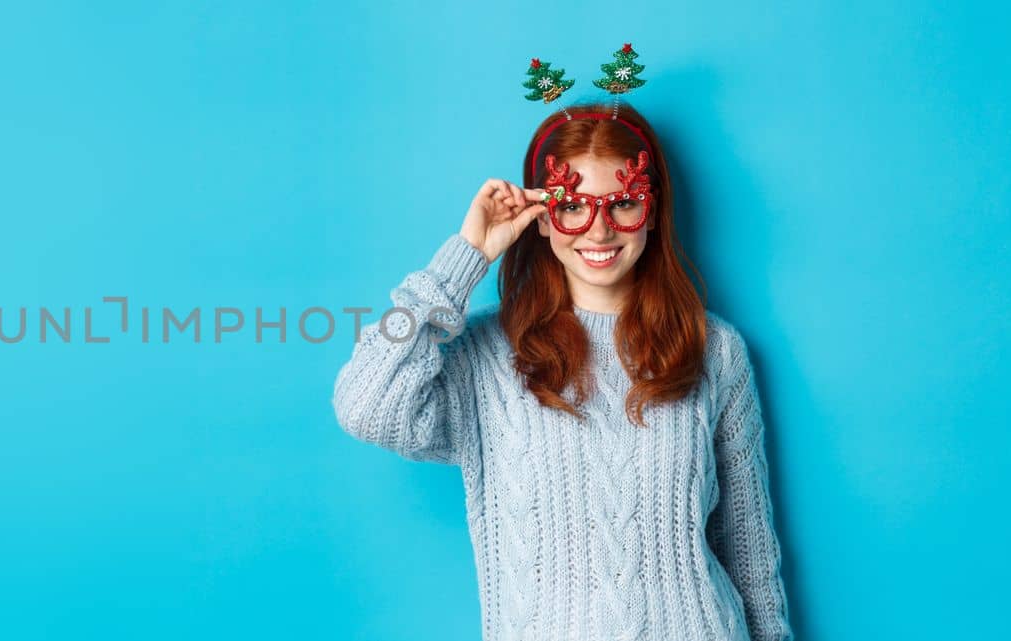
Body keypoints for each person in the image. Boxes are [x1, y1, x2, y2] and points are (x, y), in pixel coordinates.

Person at [331, 101, 793, 641]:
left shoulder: (715, 349)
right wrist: (465, 258)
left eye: (622, 204)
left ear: (653, 208)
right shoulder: (487, 355)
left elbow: (748, 547)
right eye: (573, 207)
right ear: (544, 218)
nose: (598, 232)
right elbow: (365, 405)